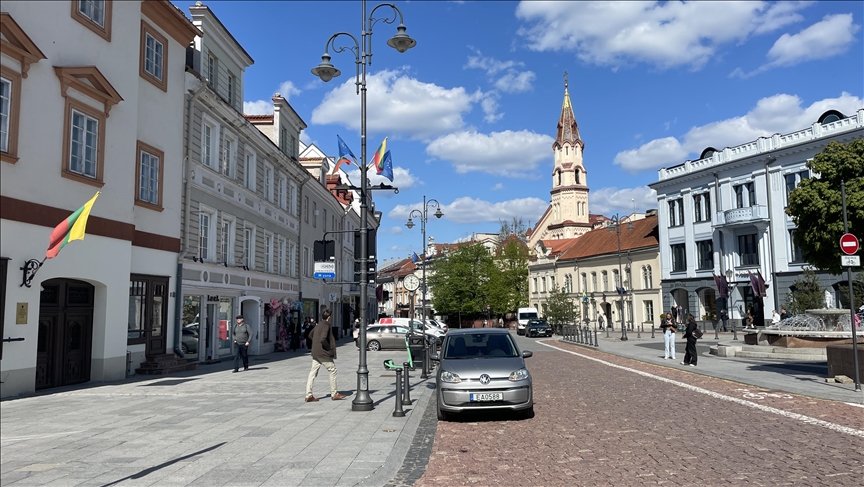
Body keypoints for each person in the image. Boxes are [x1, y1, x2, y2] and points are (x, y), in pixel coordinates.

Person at [305, 309, 346, 402]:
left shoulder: (318, 325)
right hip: (323, 353)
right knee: (332, 370)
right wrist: (329, 348)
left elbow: (310, 335)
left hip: (315, 353)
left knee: (312, 373)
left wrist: (316, 344)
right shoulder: (326, 325)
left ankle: (308, 395)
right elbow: (323, 339)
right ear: (329, 317)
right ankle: (334, 393)